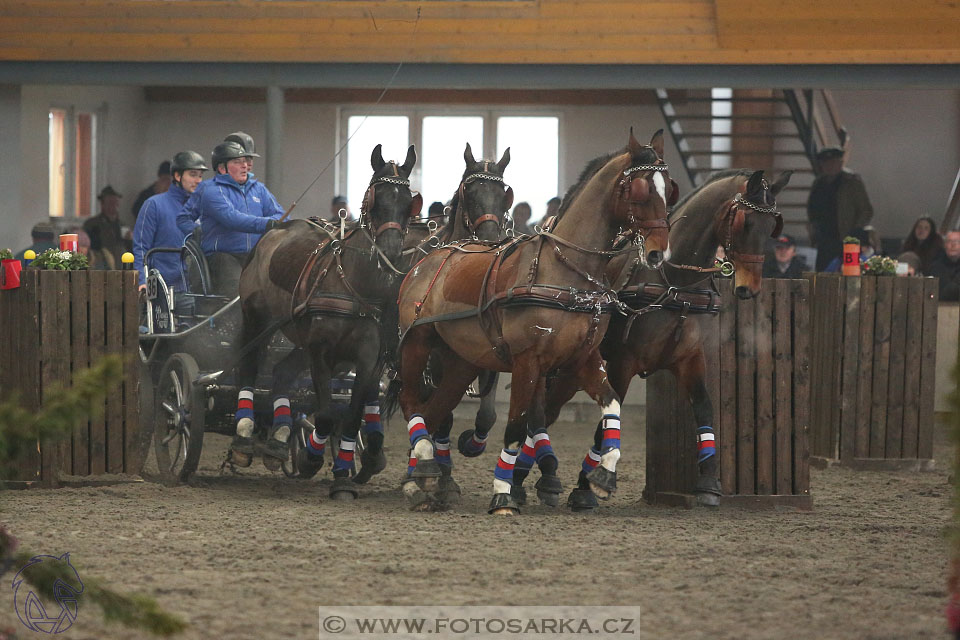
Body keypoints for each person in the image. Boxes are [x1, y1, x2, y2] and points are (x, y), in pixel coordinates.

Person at [176, 141, 283, 295]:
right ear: (222, 168)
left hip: (255, 255)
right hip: (223, 256)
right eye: (237, 162)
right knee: (237, 295)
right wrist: (196, 232)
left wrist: (276, 222)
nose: (245, 165)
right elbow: (231, 218)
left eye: (245, 161)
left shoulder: (259, 189)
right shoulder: (211, 190)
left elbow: (281, 214)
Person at [133, 151, 208, 294]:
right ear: (177, 176)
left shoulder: (204, 208)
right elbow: (141, 247)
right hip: (162, 289)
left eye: (200, 175)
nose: (198, 180)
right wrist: (142, 281)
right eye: (193, 174)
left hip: (196, 290)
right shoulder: (153, 204)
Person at [806, 147, 873, 271]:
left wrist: (854, 233)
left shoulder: (851, 182)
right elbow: (812, 209)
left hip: (845, 239)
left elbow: (866, 210)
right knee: (822, 274)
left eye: (833, 162)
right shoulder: (818, 183)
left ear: (840, 163)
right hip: (824, 240)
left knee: (847, 273)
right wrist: (813, 230)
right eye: (826, 163)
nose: (829, 166)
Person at [84, 185, 126, 269]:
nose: (114, 206)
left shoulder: (122, 225)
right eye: (110, 203)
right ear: (102, 204)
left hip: (120, 265)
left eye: (116, 203)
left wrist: (130, 238)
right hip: (101, 264)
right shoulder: (92, 224)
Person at [928, 230, 960, 301]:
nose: (953, 245)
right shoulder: (936, 267)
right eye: (949, 241)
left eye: (957, 241)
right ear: (945, 245)